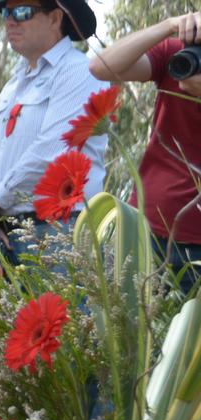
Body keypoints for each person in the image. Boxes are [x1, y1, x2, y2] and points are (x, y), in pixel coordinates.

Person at [0, 0, 108, 262]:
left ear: (56, 18)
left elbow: (50, 153)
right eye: (6, 12)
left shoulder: (79, 71)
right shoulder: (12, 85)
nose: (10, 20)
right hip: (4, 234)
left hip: (61, 232)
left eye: (22, 12)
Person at [89, 11, 201, 296]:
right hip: (144, 229)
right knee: (123, 336)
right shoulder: (182, 51)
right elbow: (102, 66)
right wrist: (170, 26)